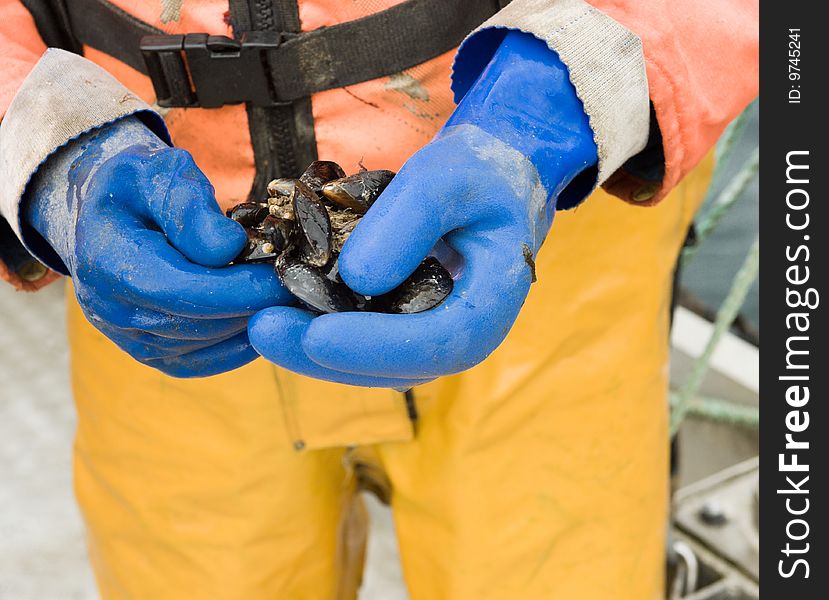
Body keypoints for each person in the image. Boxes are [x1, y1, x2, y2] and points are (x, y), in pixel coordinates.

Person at [0, 0, 758, 598]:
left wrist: (560, 94)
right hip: (167, 261)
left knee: (559, 570)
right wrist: (38, 142)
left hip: (547, 243)